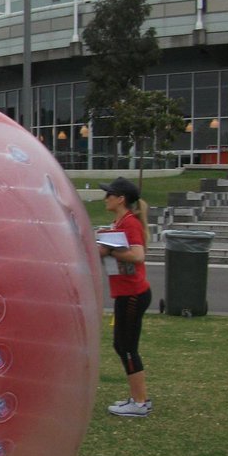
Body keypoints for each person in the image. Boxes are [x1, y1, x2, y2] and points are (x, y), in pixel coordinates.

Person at [97, 176, 152, 417]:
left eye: (109, 194)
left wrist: (110, 251)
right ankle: (137, 398)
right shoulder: (118, 223)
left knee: (126, 346)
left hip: (133, 293)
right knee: (122, 345)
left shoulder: (130, 223)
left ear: (121, 199)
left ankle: (139, 403)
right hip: (125, 293)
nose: (105, 198)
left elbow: (138, 255)